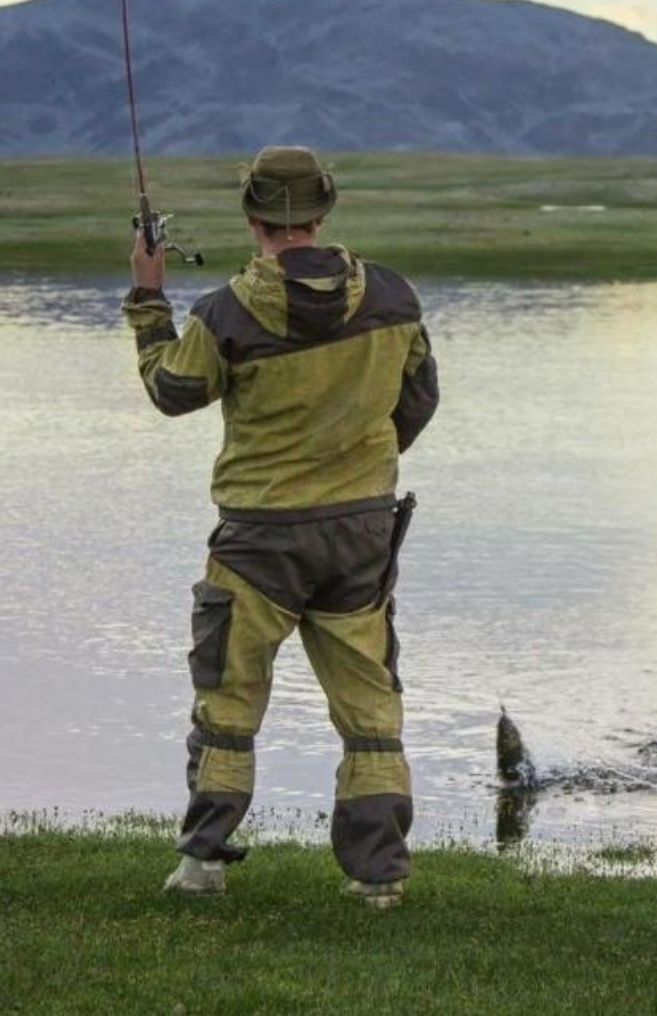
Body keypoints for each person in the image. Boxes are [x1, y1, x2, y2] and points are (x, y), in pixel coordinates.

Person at [121, 145, 439, 909]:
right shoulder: (393, 297)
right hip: (360, 534)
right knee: (370, 710)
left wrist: (145, 297)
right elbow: (419, 400)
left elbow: (172, 391)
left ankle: (203, 865)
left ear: (254, 219)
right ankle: (378, 879)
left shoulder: (225, 312)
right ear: (323, 212)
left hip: (259, 540)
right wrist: (356, 465)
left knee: (228, 704)